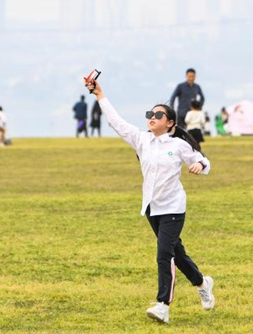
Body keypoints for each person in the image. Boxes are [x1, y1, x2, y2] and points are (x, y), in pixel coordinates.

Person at [84, 77, 215, 324]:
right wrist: (99, 94)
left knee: (164, 255)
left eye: (158, 115)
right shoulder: (141, 140)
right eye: (150, 114)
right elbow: (116, 122)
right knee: (177, 253)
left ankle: (163, 305)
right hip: (152, 209)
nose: (152, 117)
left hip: (174, 209)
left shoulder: (177, 145)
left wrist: (198, 164)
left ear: (170, 123)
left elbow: (203, 160)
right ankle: (202, 282)